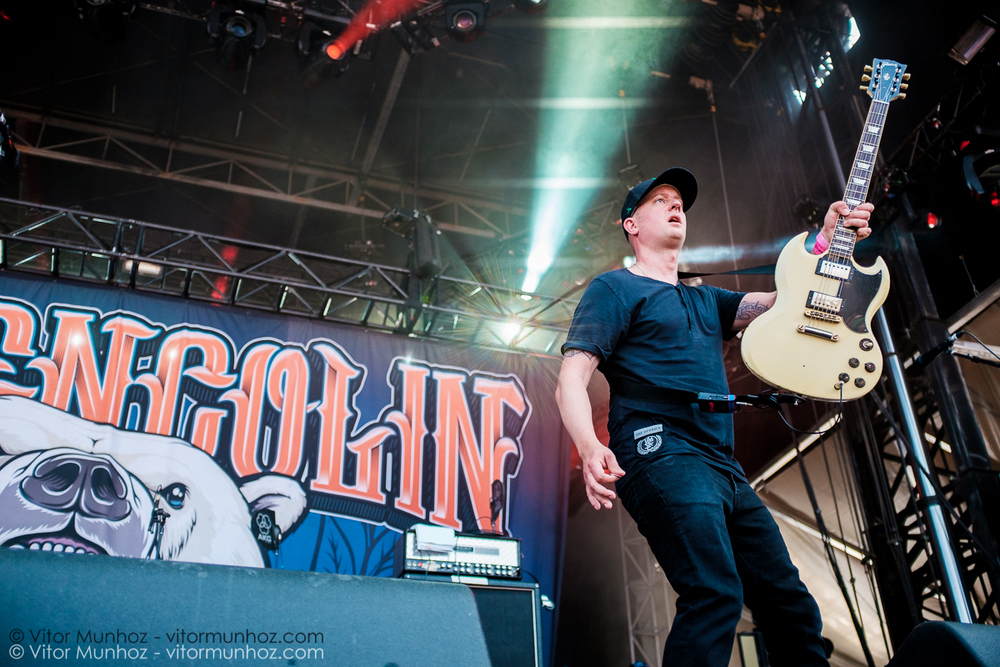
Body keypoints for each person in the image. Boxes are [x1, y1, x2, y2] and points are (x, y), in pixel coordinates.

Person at [555, 167, 872, 667]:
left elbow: (783, 304)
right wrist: (591, 446)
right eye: (660, 200)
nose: (675, 204)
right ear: (631, 225)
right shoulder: (614, 289)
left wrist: (825, 243)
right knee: (714, 590)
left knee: (789, 602)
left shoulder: (704, 297)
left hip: (720, 464)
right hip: (661, 451)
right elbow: (571, 377)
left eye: (679, 200)